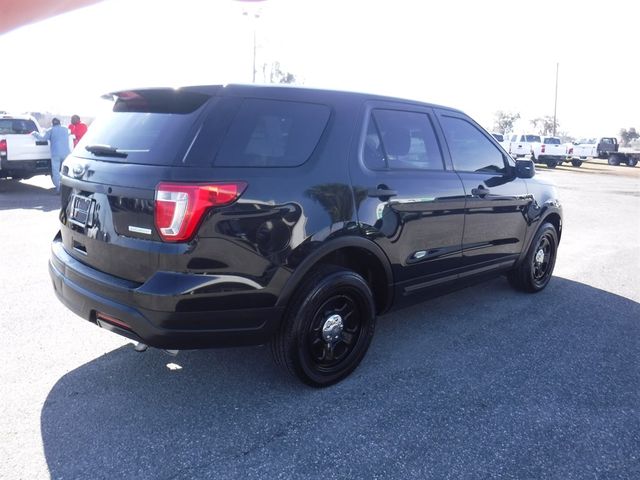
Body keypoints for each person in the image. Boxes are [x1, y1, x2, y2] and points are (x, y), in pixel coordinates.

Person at [32, 118, 71, 193]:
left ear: (52, 123)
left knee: (56, 171)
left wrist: (35, 133)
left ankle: (59, 188)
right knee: (66, 171)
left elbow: (43, 138)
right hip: (66, 153)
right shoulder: (66, 129)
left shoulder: (50, 130)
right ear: (60, 123)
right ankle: (68, 187)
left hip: (56, 153)